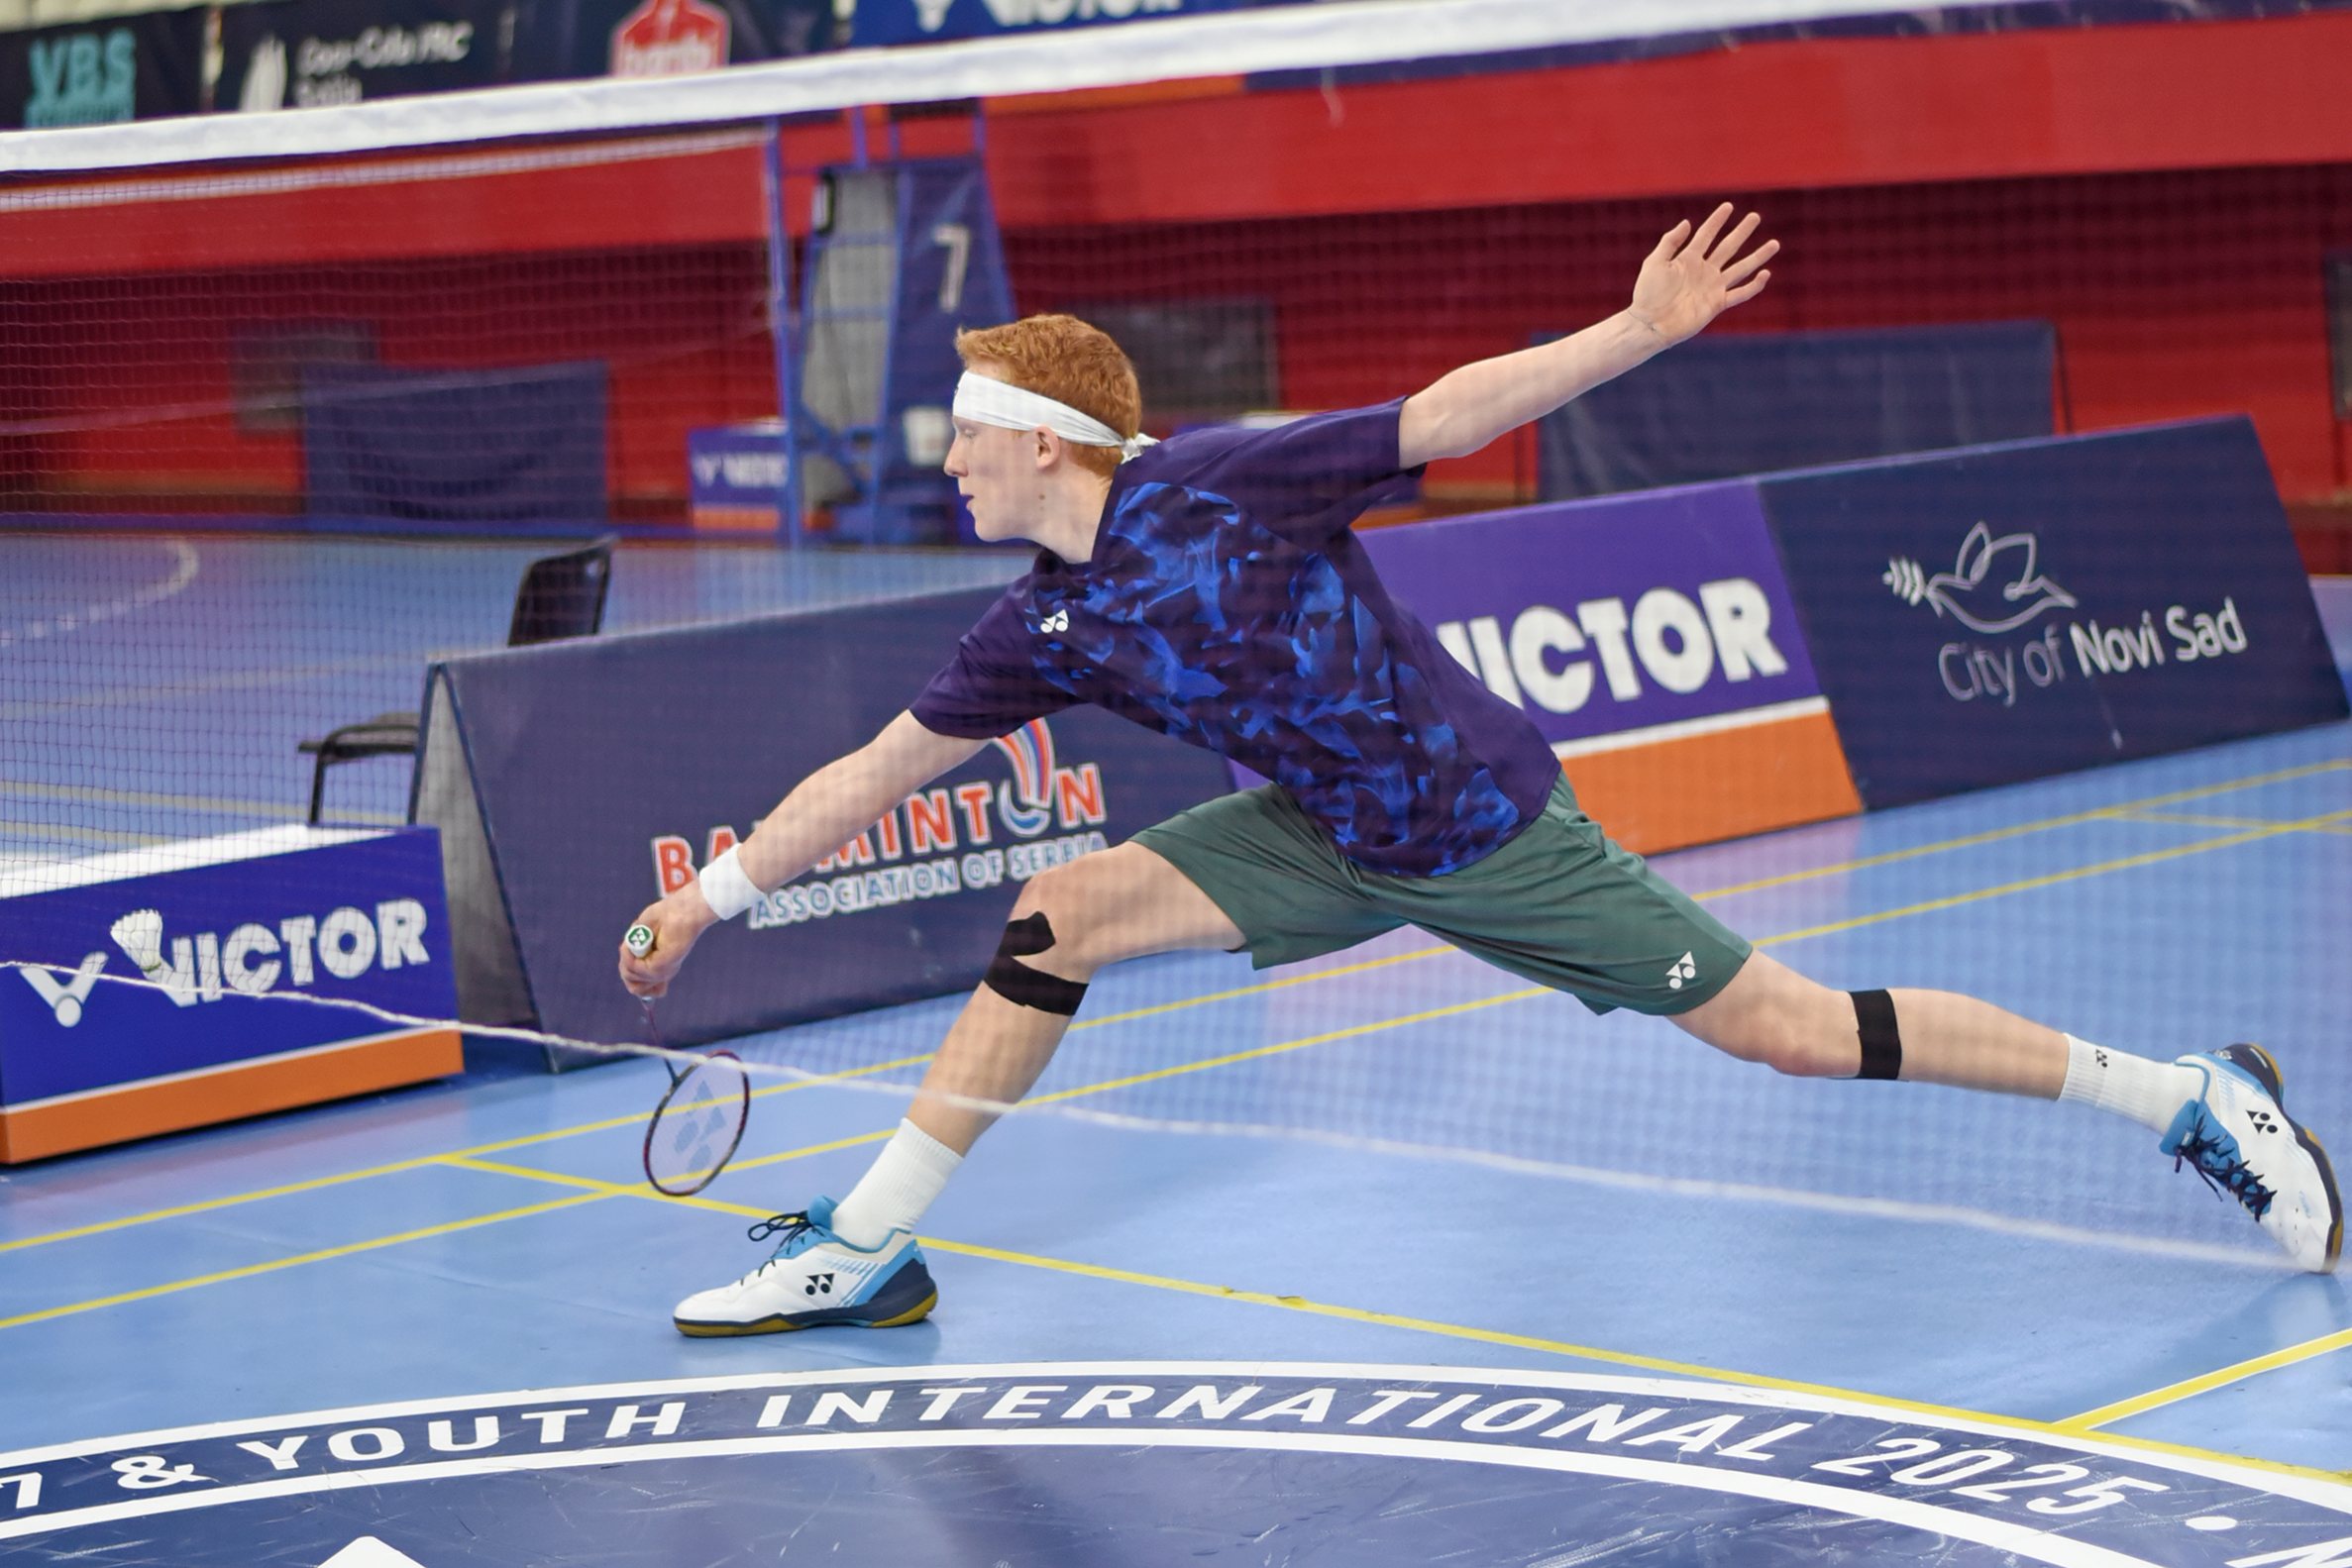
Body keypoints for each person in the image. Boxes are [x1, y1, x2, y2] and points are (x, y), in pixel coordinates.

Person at [621, 204, 2341, 1335]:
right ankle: (871, 1245)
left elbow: (1443, 416)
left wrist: (1637, 330)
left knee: (1796, 1033)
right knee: (1056, 912)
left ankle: (2182, 1094)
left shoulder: (1217, 487)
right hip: (1319, 836)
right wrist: (709, 902)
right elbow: (876, 769)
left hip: (1485, 836)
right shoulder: (1041, 624)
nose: (947, 463)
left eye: (966, 436)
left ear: (1045, 441)